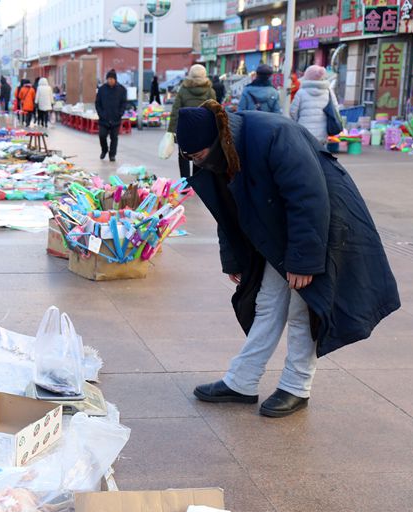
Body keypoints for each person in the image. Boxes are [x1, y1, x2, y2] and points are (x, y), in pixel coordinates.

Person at [176, 101, 400, 417]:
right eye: (189, 157)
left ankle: (297, 386)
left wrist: (303, 261)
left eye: (198, 155)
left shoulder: (273, 135)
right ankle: (242, 381)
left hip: (324, 224)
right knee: (268, 301)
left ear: (214, 141)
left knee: (303, 307)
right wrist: (233, 260)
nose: (196, 162)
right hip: (280, 228)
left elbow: (308, 198)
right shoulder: (215, 155)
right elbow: (227, 211)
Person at [168, 65, 216, 178]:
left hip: (185, 128)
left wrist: (171, 130)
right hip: (203, 130)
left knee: (183, 155)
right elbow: (215, 111)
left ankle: (185, 182)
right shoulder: (210, 91)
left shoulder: (183, 89)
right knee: (199, 155)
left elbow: (176, 110)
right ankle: (197, 181)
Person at [289, 65, 336, 144]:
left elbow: (293, 111)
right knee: (320, 154)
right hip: (323, 132)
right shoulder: (328, 92)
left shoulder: (301, 92)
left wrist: (298, 121)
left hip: (304, 131)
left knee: (305, 154)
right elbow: (335, 109)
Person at [95, 70, 127, 162]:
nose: (110, 80)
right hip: (103, 119)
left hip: (115, 118)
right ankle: (104, 150)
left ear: (115, 79)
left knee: (114, 138)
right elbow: (97, 103)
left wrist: (120, 113)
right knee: (102, 135)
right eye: (108, 79)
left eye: (112, 79)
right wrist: (101, 114)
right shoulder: (102, 89)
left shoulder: (121, 90)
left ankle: (112, 154)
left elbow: (124, 103)